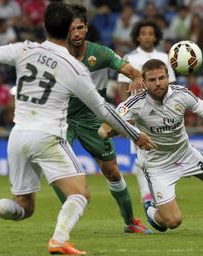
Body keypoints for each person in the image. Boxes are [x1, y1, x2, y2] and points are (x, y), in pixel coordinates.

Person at [0, 3, 156, 255]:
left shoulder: (24, 49)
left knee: (24, 207)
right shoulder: (73, 66)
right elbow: (102, 109)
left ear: (44, 26)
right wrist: (134, 134)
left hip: (18, 136)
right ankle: (60, 239)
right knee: (80, 194)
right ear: (68, 30)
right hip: (48, 136)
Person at [99, 59, 203, 232]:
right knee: (172, 222)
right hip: (157, 165)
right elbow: (105, 130)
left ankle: (184, 175)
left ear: (168, 77)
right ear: (143, 82)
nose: (158, 83)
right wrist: (134, 133)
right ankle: (151, 209)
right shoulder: (134, 103)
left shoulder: (182, 94)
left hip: (185, 153)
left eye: (161, 78)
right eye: (152, 80)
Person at [52, 4, 151, 234]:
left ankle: (129, 222)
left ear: (86, 28)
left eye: (80, 28)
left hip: (92, 118)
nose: (76, 33)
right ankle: (67, 217)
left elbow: (131, 71)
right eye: (71, 29)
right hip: (59, 118)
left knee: (112, 171)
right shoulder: (55, 57)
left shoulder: (102, 53)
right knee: (59, 169)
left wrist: (136, 77)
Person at [116, 19, 175, 207]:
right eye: (143, 33)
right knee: (141, 153)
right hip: (139, 112)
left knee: (164, 152)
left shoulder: (165, 57)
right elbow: (122, 86)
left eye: (150, 33)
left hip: (162, 112)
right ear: (137, 36)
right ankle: (146, 196)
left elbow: (170, 86)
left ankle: (162, 192)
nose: (147, 37)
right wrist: (127, 114)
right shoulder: (130, 57)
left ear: (156, 36)